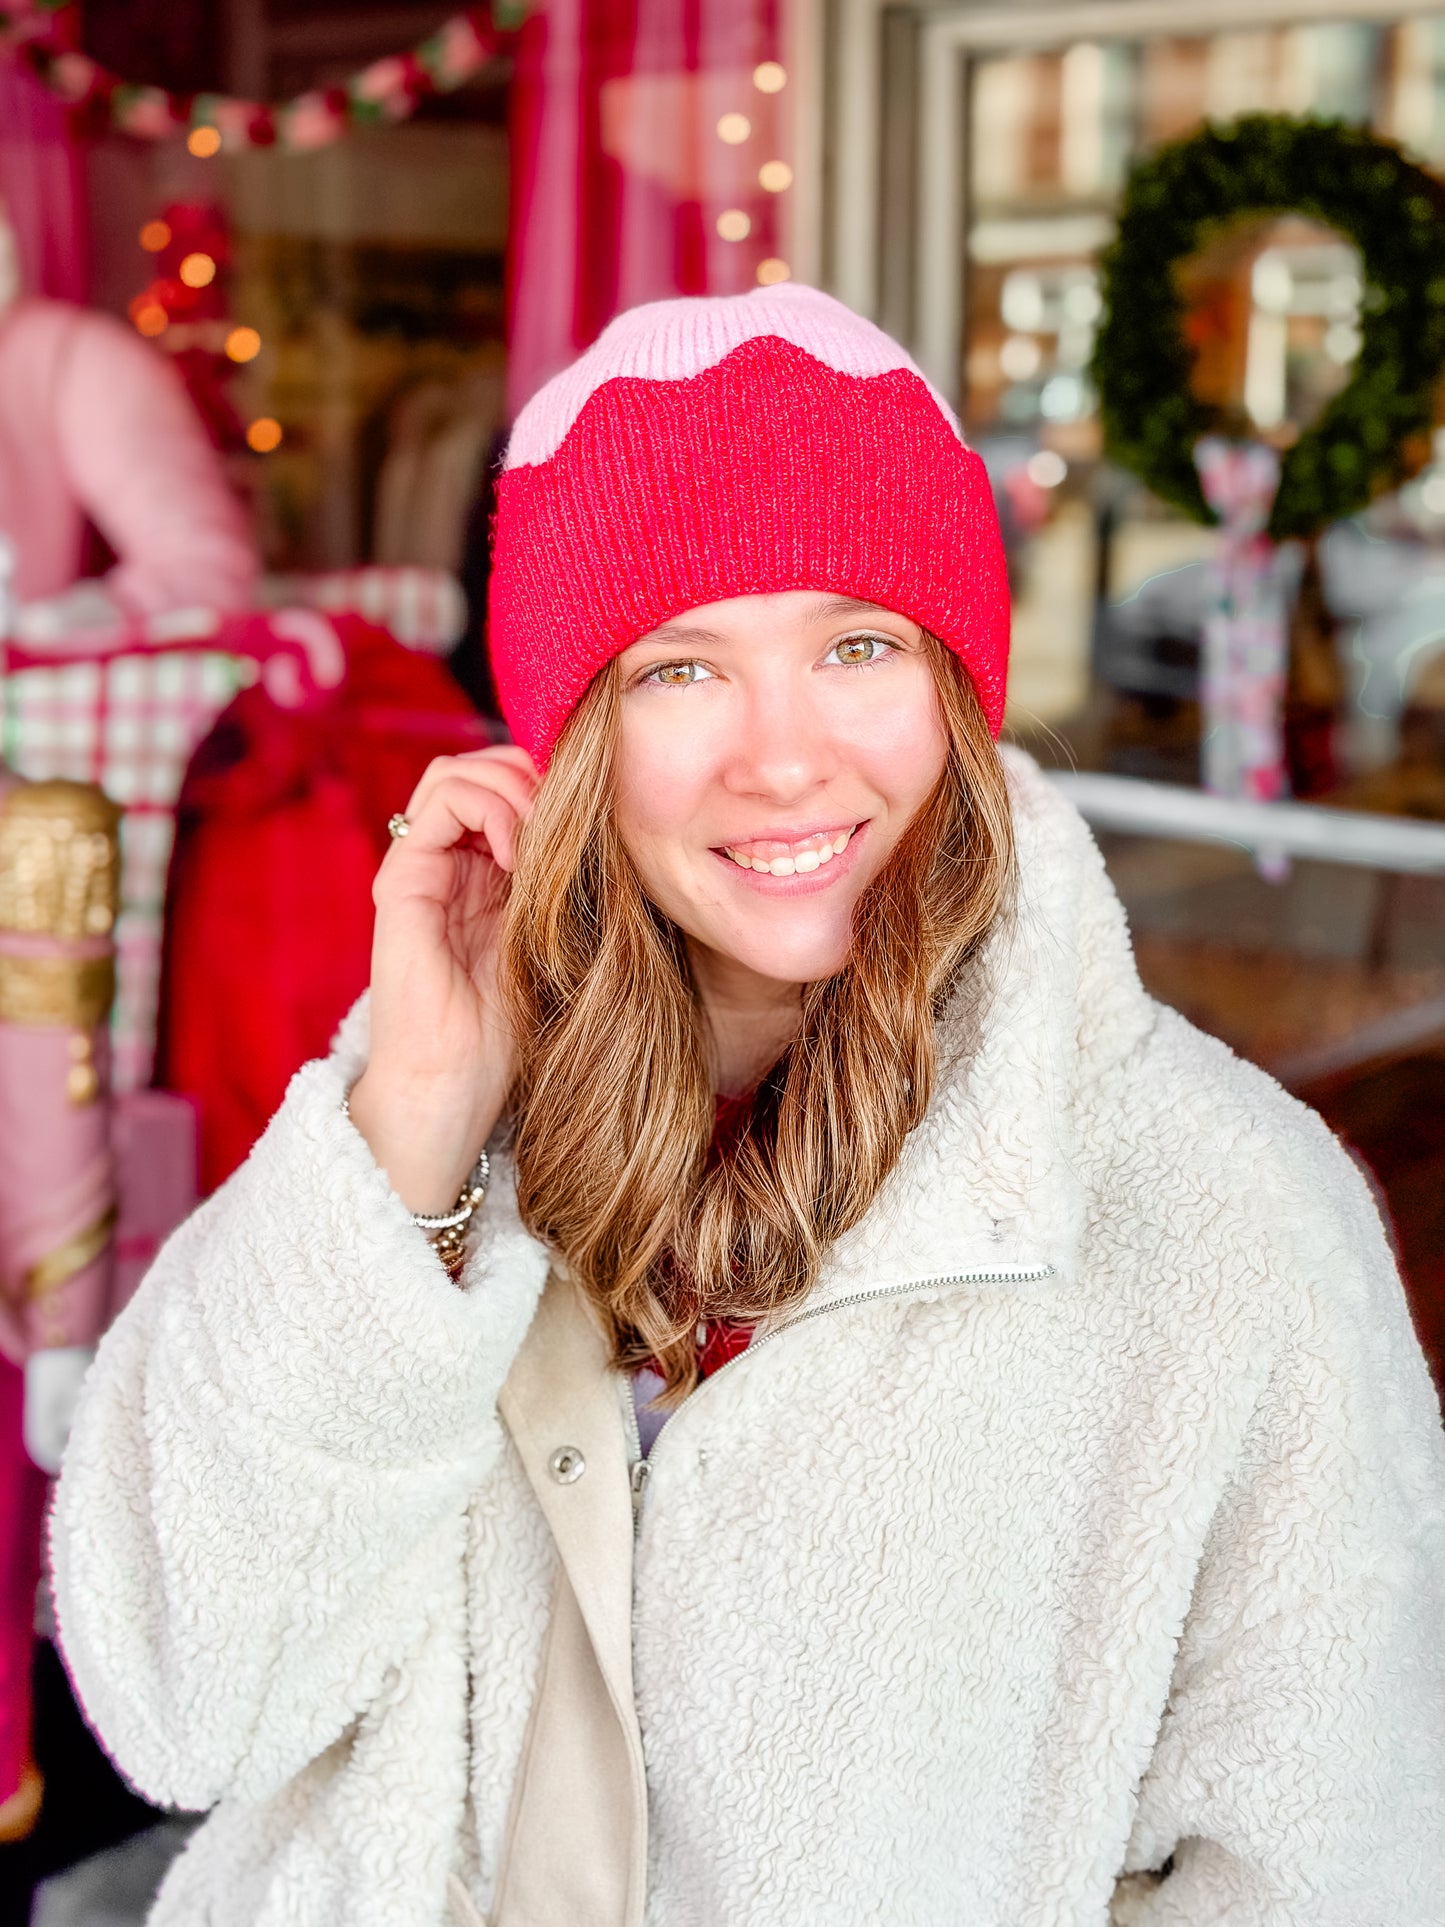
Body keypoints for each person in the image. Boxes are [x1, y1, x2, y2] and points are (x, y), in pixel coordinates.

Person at [51, 286, 1445, 1927]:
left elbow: (1325, 1863)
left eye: (855, 645)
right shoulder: (423, 1130)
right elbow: (177, 1708)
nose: (780, 759)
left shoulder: (1222, 1216)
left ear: (956, 687)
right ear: (568, 737)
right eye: (679, 670)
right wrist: (414, 1122)